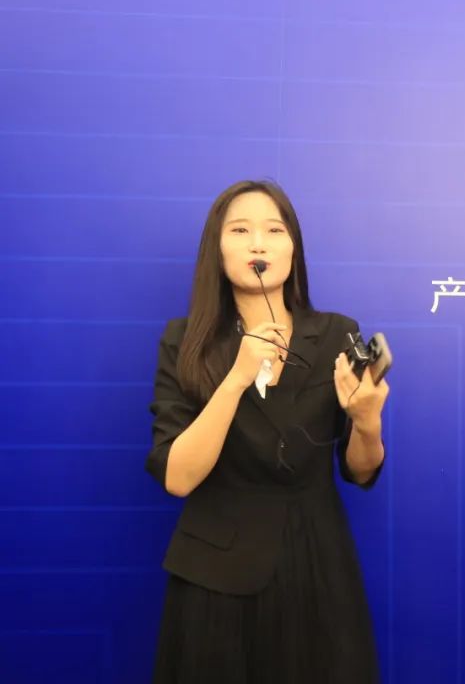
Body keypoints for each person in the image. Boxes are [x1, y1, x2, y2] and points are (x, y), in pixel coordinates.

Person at [146, 179, 388, 683]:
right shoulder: (183, 341)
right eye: (240, 230)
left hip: (317, 565)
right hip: (216, 575)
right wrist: (237, 376)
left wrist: (367, 422)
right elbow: (178, 478)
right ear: (216, 250)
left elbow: (361, 472)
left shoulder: (336, 333)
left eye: (274, 230)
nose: (258, 243)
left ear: (293, 248)